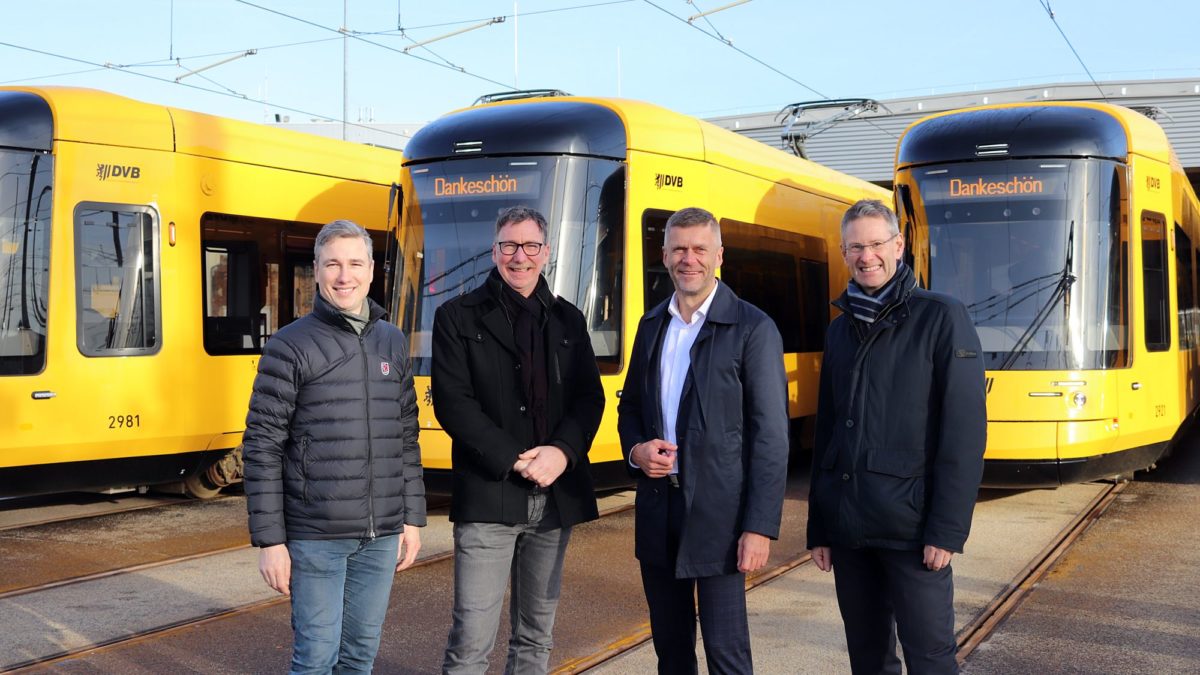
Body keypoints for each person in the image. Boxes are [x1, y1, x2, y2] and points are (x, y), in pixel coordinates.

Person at [807, 199, 987, 674]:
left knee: (929, 659)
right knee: (867, 659)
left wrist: (946, 530)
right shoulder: (840, 329)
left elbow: (964, 433)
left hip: (913, 530)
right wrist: (821, 527)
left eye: (875, 244)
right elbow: (826, 432)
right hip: (850, 530)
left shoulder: (942, 317)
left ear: (899, 246)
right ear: (844, 253)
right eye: (855, 247)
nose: (867, 256)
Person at [242, 219, 426, 674]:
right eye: (333, 264)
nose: (345, 275)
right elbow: (262, 446)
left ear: (371, 271)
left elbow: (405, 436)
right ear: (318, 271)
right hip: (315, 536)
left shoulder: (392, 341)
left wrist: (412, 519)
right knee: (316, 658)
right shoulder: (289, 345)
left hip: (381, 534)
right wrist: (271, 541)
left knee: (360, 657)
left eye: (355, 264)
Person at [433, 205, 605, 674]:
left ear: (545, 253)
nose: (519, 257)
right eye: (509, 245)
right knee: (471, 639)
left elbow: (590, 399)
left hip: (554, 499)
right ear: (494, 251)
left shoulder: (570, 320)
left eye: (530, 246)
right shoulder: (456, 317)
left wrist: (562, 453)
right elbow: (453, 403)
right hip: (490, 493)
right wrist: (514, 458)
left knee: (535, 637)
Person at [617, 206, 789, 675]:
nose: (688, 258)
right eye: (678, 249)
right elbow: (630, 406)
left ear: (718, 256)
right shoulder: (652, 325)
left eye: (698, 249)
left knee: (726, 653)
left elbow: (771, 436)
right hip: (659, 511)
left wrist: (759, 526)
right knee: (670, 652)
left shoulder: (753, 328)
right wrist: (636, 450)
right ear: (665, 255)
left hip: (723, 517)